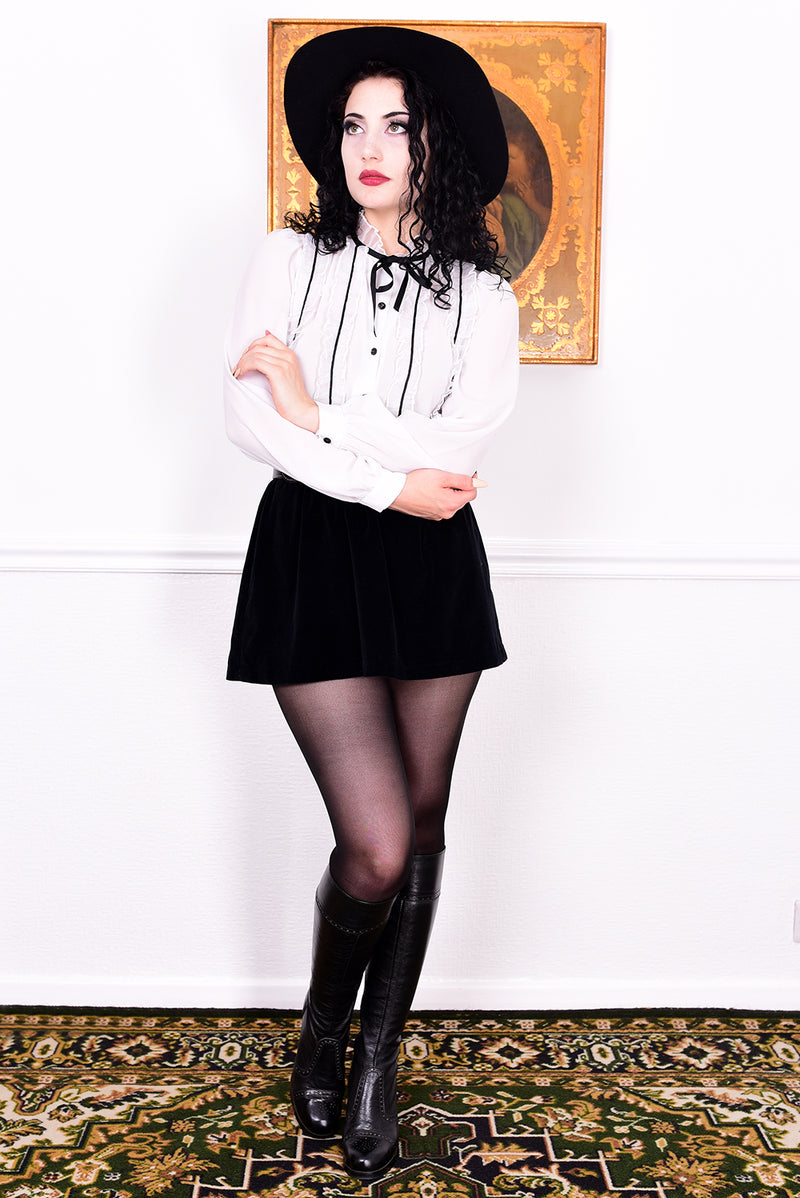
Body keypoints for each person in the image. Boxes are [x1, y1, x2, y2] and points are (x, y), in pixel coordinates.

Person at [223, 25, 519, 1181]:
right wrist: (383, 477)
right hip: (314, 554)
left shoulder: (483, 296)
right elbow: (245, 420)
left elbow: (465, 441)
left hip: (433, 562)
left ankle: (375, 1063)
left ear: (434, 143)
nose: (368, 145)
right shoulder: (283, 263)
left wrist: (319, 417)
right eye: (352, 123)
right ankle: (319, 1022)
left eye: (394, 123)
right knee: (376, 841)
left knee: (425, 823)